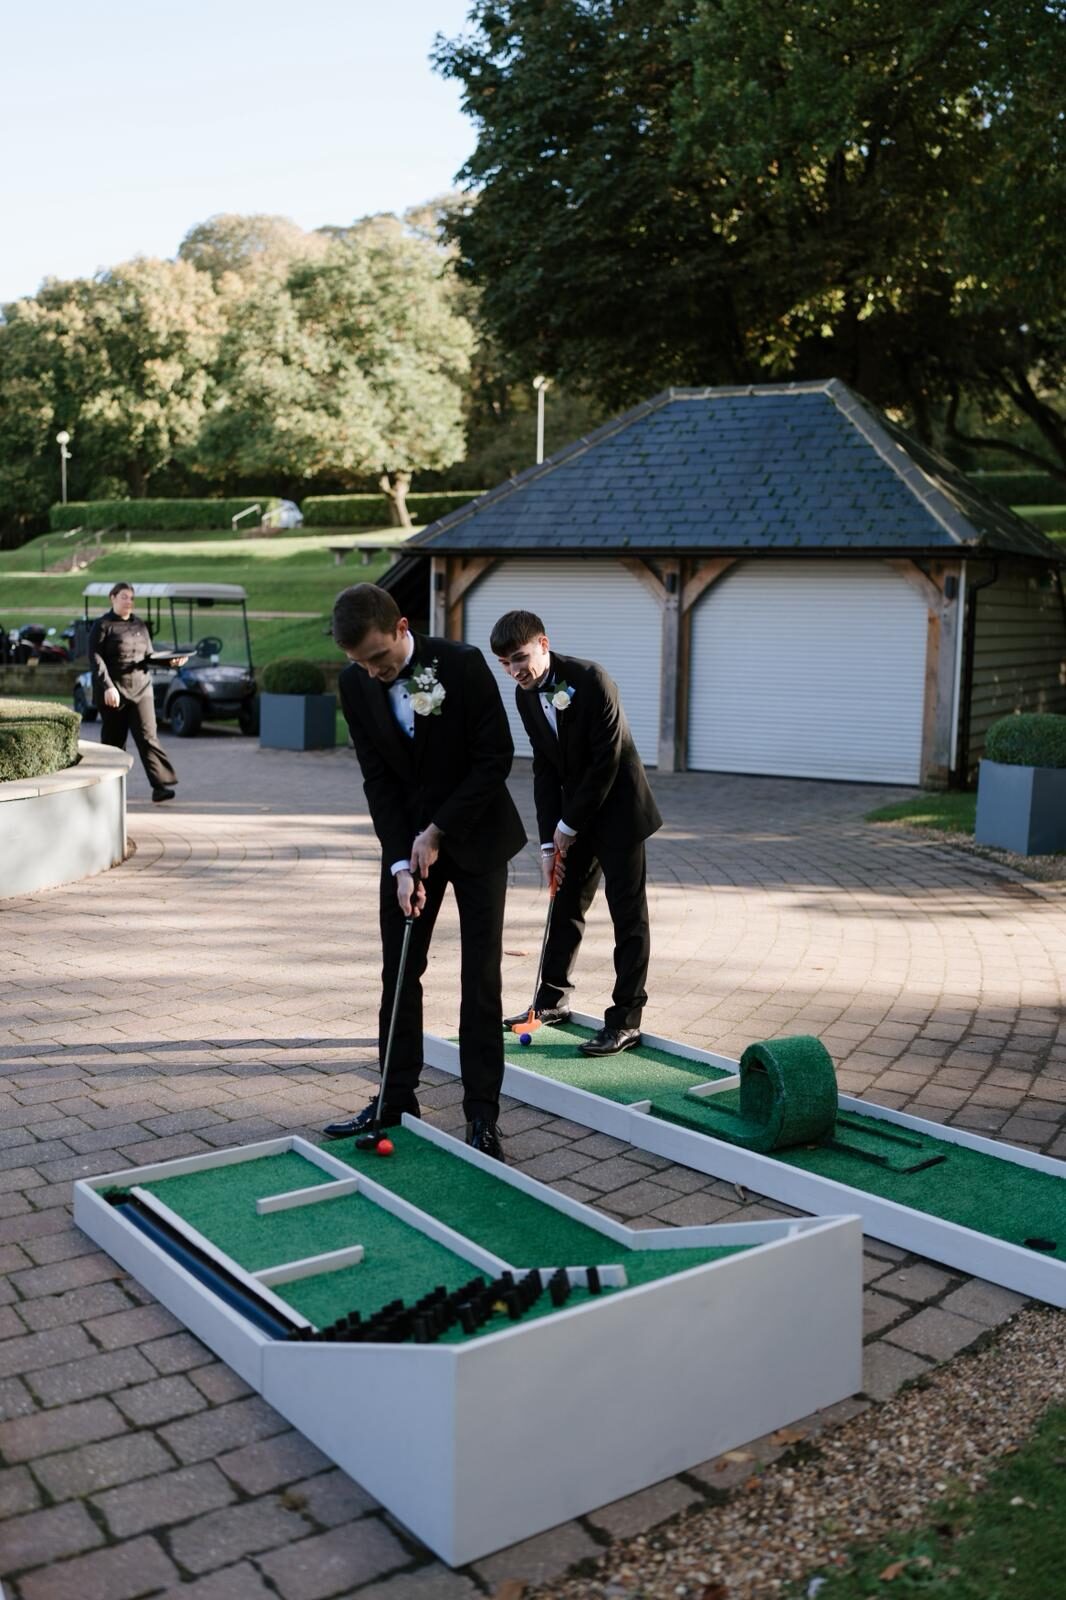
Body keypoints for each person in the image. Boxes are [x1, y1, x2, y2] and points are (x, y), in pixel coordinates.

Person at [323, 584, 526, 1160]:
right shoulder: (354, 683)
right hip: (409, 847)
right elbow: (378, 780)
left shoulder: (460, 666)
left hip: (479, 839)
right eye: (360, 664)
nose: (374, 673)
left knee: (479, 981)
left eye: (380, 659)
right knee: (400, 970)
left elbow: (495, 760)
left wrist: (437, 831)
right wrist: (399, 863)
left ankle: (482, 1115)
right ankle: (394, 1098)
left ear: (403, 627)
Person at [490, 609, 662, 1057]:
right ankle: (551, 1002)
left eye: (521, 657)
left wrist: (568, 826)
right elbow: (545, 769)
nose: (515, 670)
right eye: (506, 663)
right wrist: (549, 842)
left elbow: (607, 759)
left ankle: (626, 1020)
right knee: (565, 903)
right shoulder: (525, 696)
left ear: (544, 644)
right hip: (573, 818)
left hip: (620, 812)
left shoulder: (592, 679)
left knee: (628, 916)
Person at [89, 582, 185, 802]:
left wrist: (171, 662)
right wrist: (108, 687)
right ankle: (108, 791)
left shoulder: (140, 625)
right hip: (114, 691)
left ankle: (160, 786)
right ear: (112, 598)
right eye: (124, 597)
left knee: (148, 736)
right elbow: (96, 659)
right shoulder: (102, 625)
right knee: (114, 740)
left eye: (131, 598)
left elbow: (149, 656)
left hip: (141, 688)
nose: (129, 602)